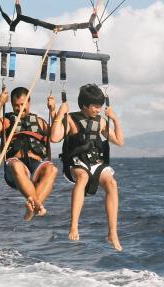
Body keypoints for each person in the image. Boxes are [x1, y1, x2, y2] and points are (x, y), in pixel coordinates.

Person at [50, 84, 124, 251]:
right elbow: (54, 138)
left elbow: (119, 141)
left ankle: (112, 232)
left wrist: (115, 119)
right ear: (84, 105)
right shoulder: (70, 119)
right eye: (95, 106)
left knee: (112, 184)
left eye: (100, 106)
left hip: (95, 162)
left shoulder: (101, 122)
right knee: (83, 178)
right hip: (76, 163)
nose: (98, 109)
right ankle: (74, 226)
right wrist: (60, 113)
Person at [0, 86, 58, 221]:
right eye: (16, 106)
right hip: (15, 169)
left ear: (29, 102)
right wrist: (0, 103)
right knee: (16, 166)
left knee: (52, 169)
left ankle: (32, 207)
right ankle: (38, 206)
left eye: (22, 104)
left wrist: (53, 111)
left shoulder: (39, 122)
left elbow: (56, 136)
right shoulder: (7, 121)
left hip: (36, 166)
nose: (20, 109)